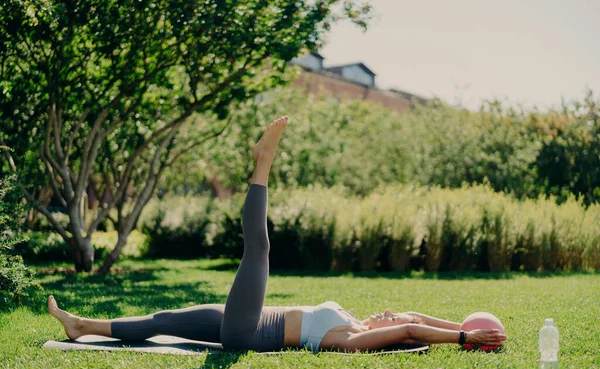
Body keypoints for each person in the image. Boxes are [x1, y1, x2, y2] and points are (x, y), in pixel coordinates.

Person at [48, 116, 507, 352]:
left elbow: (409, 326)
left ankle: (262, 161)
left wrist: (464, 341)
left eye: (391, 321)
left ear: (392, 336)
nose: (391, 313)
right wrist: (465, 326)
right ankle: (81, 326)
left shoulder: (350, 338)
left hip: (246, 331)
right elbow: (411, 315)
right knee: (166, 320)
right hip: (248, 318)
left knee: (258, 248)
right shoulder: (364, 322)